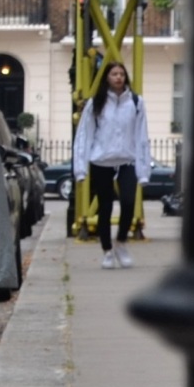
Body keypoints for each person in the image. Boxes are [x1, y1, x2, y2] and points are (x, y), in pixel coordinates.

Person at [72, 62, 154, 268]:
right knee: (105, 207)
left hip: (127, 159)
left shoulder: (136, 102)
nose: (118, 77)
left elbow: (141, 136)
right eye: (114, 74)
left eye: (121, 74)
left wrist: (143, 171)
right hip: (102, 160)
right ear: (106, 78)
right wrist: (80, 168)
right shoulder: (95, 103)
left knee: (128, 203)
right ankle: (107, 250)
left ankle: (121, 242)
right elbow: (84, 135)